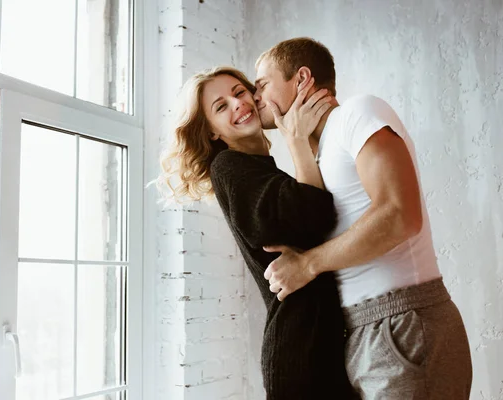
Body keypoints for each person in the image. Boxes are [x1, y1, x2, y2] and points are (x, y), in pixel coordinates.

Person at [254, 37, 473, 399]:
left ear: (302, 78)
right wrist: (297, 144)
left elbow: (400, 216)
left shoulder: (358, 112)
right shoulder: (318, 155)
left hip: (402, 323)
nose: (256, 95)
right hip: (358, 331)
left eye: (262, 84)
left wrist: (307, 265)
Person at [158, 66, 356, 399]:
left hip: (319, 342)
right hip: (301, 353)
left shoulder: (260, 168)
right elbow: (315, 212)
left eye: (239, 92)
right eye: (221, 106)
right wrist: (295, 137)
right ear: (212, 133)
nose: (237, 103)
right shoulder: (228, 167)